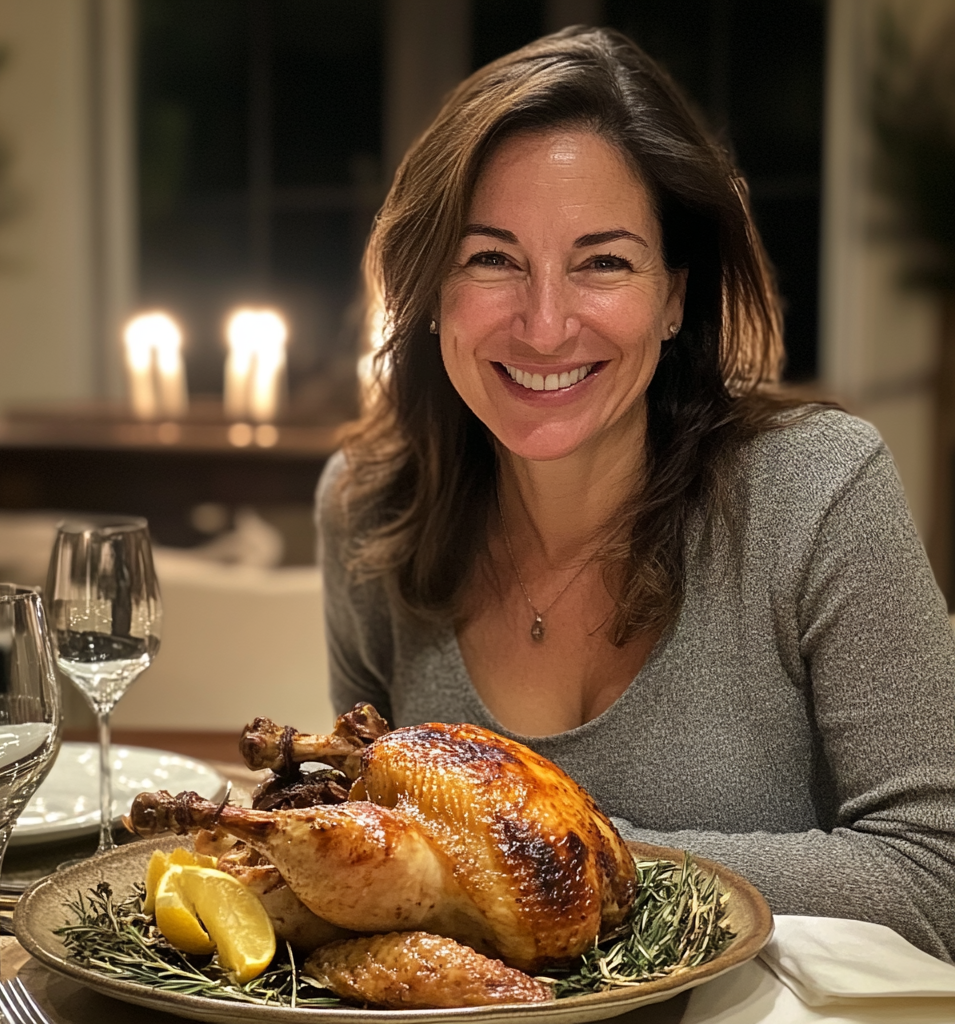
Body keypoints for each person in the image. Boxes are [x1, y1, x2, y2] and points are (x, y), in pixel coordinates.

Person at [316, 27, 955, 961]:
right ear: (431, 292)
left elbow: (937, 875)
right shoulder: (369, 510)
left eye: (603, 262)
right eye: (491, 259)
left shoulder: (817, 490)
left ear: (673, 299)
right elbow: (374, 873)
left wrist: (570, 858)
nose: (543, 323)